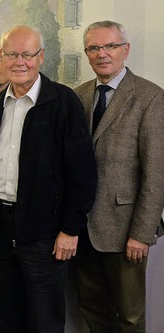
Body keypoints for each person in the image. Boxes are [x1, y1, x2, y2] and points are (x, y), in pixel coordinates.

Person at [0, 26, 97, 333]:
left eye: (27, 54)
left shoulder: (63, 102)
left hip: (46, 236)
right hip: (2, 233)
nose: (19, 62)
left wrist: (71, 229)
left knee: (44, 320)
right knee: (4, 316)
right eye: (11, 54)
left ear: (41, 57)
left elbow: (83, 172)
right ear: (3, 58)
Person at [73, 20, 164, 333]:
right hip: (82, 229)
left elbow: (156, 173)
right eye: (94, 47)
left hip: (126, 230)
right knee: (92, 309)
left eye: (110, 46)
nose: (102, 54)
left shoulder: (150, 98)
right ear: (86, 54)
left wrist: (142, 232)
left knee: (129, 317)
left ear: (125, 50)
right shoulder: (79, 96)